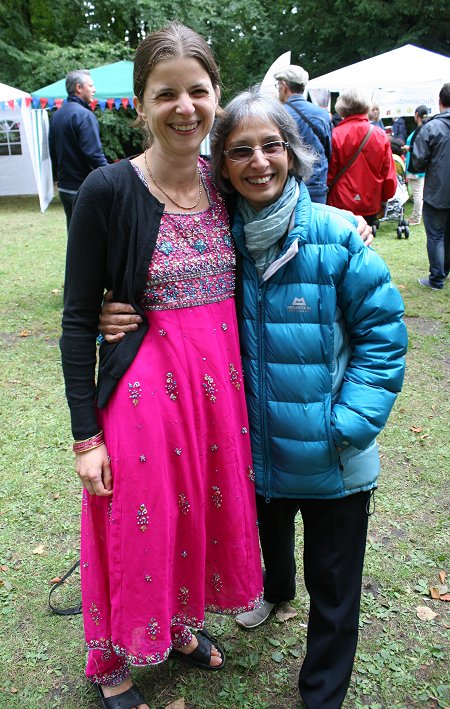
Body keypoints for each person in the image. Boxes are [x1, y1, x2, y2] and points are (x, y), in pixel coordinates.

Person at [102, 86, 407, 709]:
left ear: (294, 154)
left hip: (333, 454)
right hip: (252, 454)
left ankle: (322, 694)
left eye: (272, 146)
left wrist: (348, 423)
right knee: (272, 548)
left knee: (335, 583)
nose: (258, 161)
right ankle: (273, 589)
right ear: (222, 166)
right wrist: (113, 310)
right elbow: (171, 291)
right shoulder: (222, 237)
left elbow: (384, 337)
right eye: (240, 150)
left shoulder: (336, 236)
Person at [60, 23, 263, 709]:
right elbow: (78, 317)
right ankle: (110, 658)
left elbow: (286, 214)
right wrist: (86, 437)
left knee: (194, 517)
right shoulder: (108, 189)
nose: (185, 107)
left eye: (198, 91)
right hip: (144, 394)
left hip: (218, 395)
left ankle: (178, 625)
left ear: (216, 96)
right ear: (139, 104)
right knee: (135, 524)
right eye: (165, 93)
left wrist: (347, 224)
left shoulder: (227, 183)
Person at [327, 86, 397, 226]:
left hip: (340, 202)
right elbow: (388, 175)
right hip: (369, 202)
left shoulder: (335, 135)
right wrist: (384, 200)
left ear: (342, 107)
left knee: (341, 243)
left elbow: (329, 174)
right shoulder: (380, 135)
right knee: (365, 242)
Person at [49, 69, 108, 230]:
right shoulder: (84, 115)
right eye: (91, 85)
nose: (94, 90)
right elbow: (93, 155)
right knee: (91, 237)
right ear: (79, 88)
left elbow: (52, 152)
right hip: (83, 188)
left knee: (74, 235)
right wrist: (112, 177)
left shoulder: (57, 115)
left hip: (64, 187)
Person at [274, 65, 332, 204]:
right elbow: (328, 151)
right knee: (317, 224)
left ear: (284, 85)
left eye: (278, 85)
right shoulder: (322, 114)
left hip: (288, 185)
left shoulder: (279, 114)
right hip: (317, 185)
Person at [411, 83, 450, 290]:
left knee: (436, 235)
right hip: (439, 190)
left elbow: (417, 161)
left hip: (438, 191)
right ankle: (443, 271)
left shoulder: (432, 127)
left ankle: (437, 278)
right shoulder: (433, 127)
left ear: (440, 102)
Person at [403, 104, 429, 226]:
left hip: (416, 166)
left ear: (417, 115)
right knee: (417, 192)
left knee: (418, 192)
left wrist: (409, 148)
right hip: (415, 164)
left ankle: (416, 217)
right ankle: (415, 215)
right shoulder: (423, 127)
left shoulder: (421, 128)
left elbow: (420, 148)